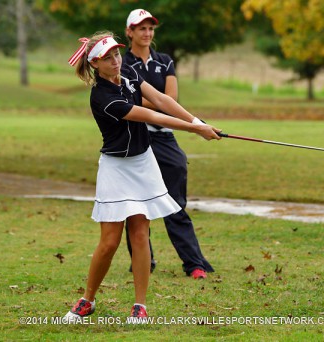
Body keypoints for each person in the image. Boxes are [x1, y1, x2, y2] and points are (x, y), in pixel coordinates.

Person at [63, 31, 221, 322]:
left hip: (143, 162)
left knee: (140, 232)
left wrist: (197, 121)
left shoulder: (131, 74)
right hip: (115, 168)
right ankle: (88, 299)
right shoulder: (102, 97)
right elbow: (151, 116)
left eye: (117, 54)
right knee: (109, 241)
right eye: (108, 58)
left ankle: (140, 306)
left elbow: (160, 100)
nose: (116, 61)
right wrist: (196, 131)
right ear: (95, 64)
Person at [123, 9, 215, 280]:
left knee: (176, 201)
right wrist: (160, 102)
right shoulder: (122, 64)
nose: (147, 33)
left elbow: (170, 98)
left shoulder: (164, 62)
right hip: (137, 136)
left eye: (150, 28)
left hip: (164, 136)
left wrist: (163, 105)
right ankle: (143, 260)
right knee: (137, 203)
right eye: (141, 28)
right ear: (129, 32)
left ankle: (194, 263)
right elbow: (137, 101)